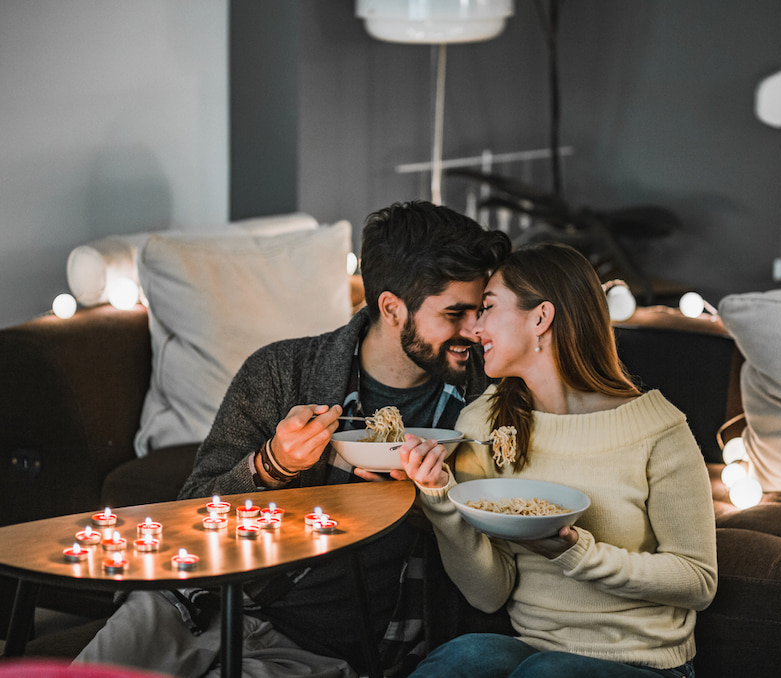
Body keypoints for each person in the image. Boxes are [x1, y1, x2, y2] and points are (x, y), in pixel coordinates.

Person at [74, 201, 511, 678]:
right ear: (391, 308)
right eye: (456, 313)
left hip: (321, 651)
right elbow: (192, 514)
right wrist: (272, 465)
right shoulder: (281, 373)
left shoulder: (488, 399)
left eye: (482, 310)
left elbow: (500, 559)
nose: (476, 329)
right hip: (202, 606)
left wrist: (429, 506)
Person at [396, 243, 718, 678]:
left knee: (546, 673)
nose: (475, 329)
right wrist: (439, 498)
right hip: (532, 649)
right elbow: (488, 595)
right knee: (460, 659)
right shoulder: (484, 423)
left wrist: (576, 553)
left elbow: (698, 582)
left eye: (488, 308)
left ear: (541, 318)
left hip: (644, 662)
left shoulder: (657, 429)